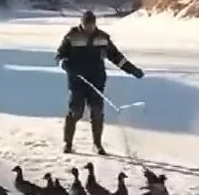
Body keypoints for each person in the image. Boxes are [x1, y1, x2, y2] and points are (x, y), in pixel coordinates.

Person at [55, 10, 144, 155]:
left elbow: (117, 57)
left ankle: (97, 144)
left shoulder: (103, 38)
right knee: (76, 111)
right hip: (77, 81)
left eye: (90, 25)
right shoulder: (72, 36)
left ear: (94, 24)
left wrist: (132, 70)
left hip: (96, 80)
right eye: (85, 25)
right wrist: (64, 64)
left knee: (97, 111)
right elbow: (59, 56)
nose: (88, 28)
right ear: (81, 24)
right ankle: (68, 143)